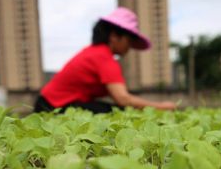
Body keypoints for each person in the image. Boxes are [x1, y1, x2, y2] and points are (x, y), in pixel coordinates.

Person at [34, 7, 176, 114]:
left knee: (112, 109)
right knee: (117, 113)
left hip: (49, 104)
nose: (130, 46)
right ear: (114, 36)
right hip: (52, 107)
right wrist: (162, 107)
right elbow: (123, 99)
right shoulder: (103, 57)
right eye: (129, 40)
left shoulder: (95, 52)